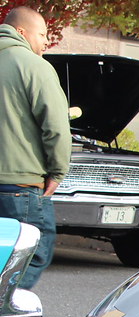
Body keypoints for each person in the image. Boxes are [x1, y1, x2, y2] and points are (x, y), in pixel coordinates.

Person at [0, 6, 71, 288]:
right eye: (42, 34)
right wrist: (57, 171)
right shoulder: (34, 66)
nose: (45, 42)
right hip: (21, 186)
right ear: (21, 32)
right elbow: (55, 126)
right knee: (31, 255)